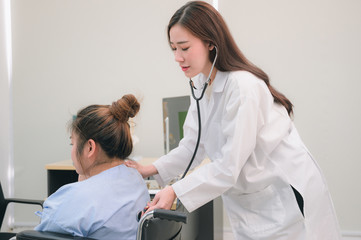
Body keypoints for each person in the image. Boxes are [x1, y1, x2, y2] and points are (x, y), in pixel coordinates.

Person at [125, 1, 342, 239]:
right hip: (252, 200)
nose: (177, 57)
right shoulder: (201, 82)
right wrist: (148, 169)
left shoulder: (243, 86)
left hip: (282, 197)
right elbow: (192, 145)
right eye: (173, 48)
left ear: (210, 43)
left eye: (184, 48)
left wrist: (175, 190)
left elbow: (229, 166)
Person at [35, 94, 150, 240]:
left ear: (90, 148)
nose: (72, 150)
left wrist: (81, 190)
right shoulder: (135, 178)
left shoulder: (76, 198)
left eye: (73, 144)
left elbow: (37, 236)